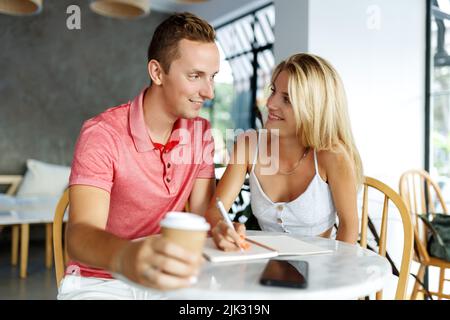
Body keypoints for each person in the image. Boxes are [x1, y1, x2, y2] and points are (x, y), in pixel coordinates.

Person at [58, 12, 220, 300]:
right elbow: (80, 235)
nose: (209, 92)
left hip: (166, 275)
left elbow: (201, 216)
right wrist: (128, 256)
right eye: (195, 76)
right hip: (101, 279)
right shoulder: (102, 133)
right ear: (157, 72)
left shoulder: (201, 132)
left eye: (212, 77)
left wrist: (221, 228)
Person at [205, 53, 363, 251]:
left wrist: (335, 273)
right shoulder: (249, 145)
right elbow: (214, 210)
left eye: (286, 99)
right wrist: (223, 227)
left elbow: (349, 227)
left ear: (315, 108)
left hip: (319, 270)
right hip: (265, 266)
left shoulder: (332, 156)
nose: (270, 103)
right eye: (273, 91)